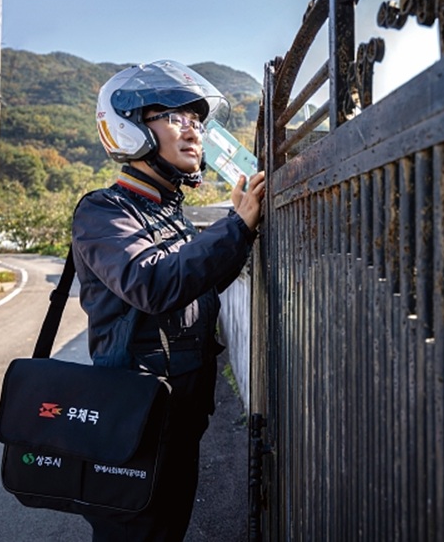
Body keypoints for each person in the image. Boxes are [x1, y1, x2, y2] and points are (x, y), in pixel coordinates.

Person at [71, 59, 265, 541]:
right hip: (132, 423)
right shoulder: (103, 211)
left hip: (180, 420)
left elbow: (192, 287)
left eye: (197, 120)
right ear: (131, 128)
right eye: (175, 117)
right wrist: (235, 229)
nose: (193, 130)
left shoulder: (170, 213)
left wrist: (239, 241)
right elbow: (152, 283)